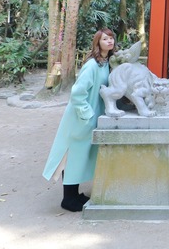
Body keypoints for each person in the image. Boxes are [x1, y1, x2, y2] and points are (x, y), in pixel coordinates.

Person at [42, 28, 116, 212]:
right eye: (105, 38)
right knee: (71, 156)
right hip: (80, 118)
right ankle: (68, 199)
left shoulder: (106, 63)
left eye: (111, 38)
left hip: (90, 117)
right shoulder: (92, 65)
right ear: (97, 42)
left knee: (81, 156)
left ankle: (74, 195)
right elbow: (77, 93)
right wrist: (87, 115)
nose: (109, 41)